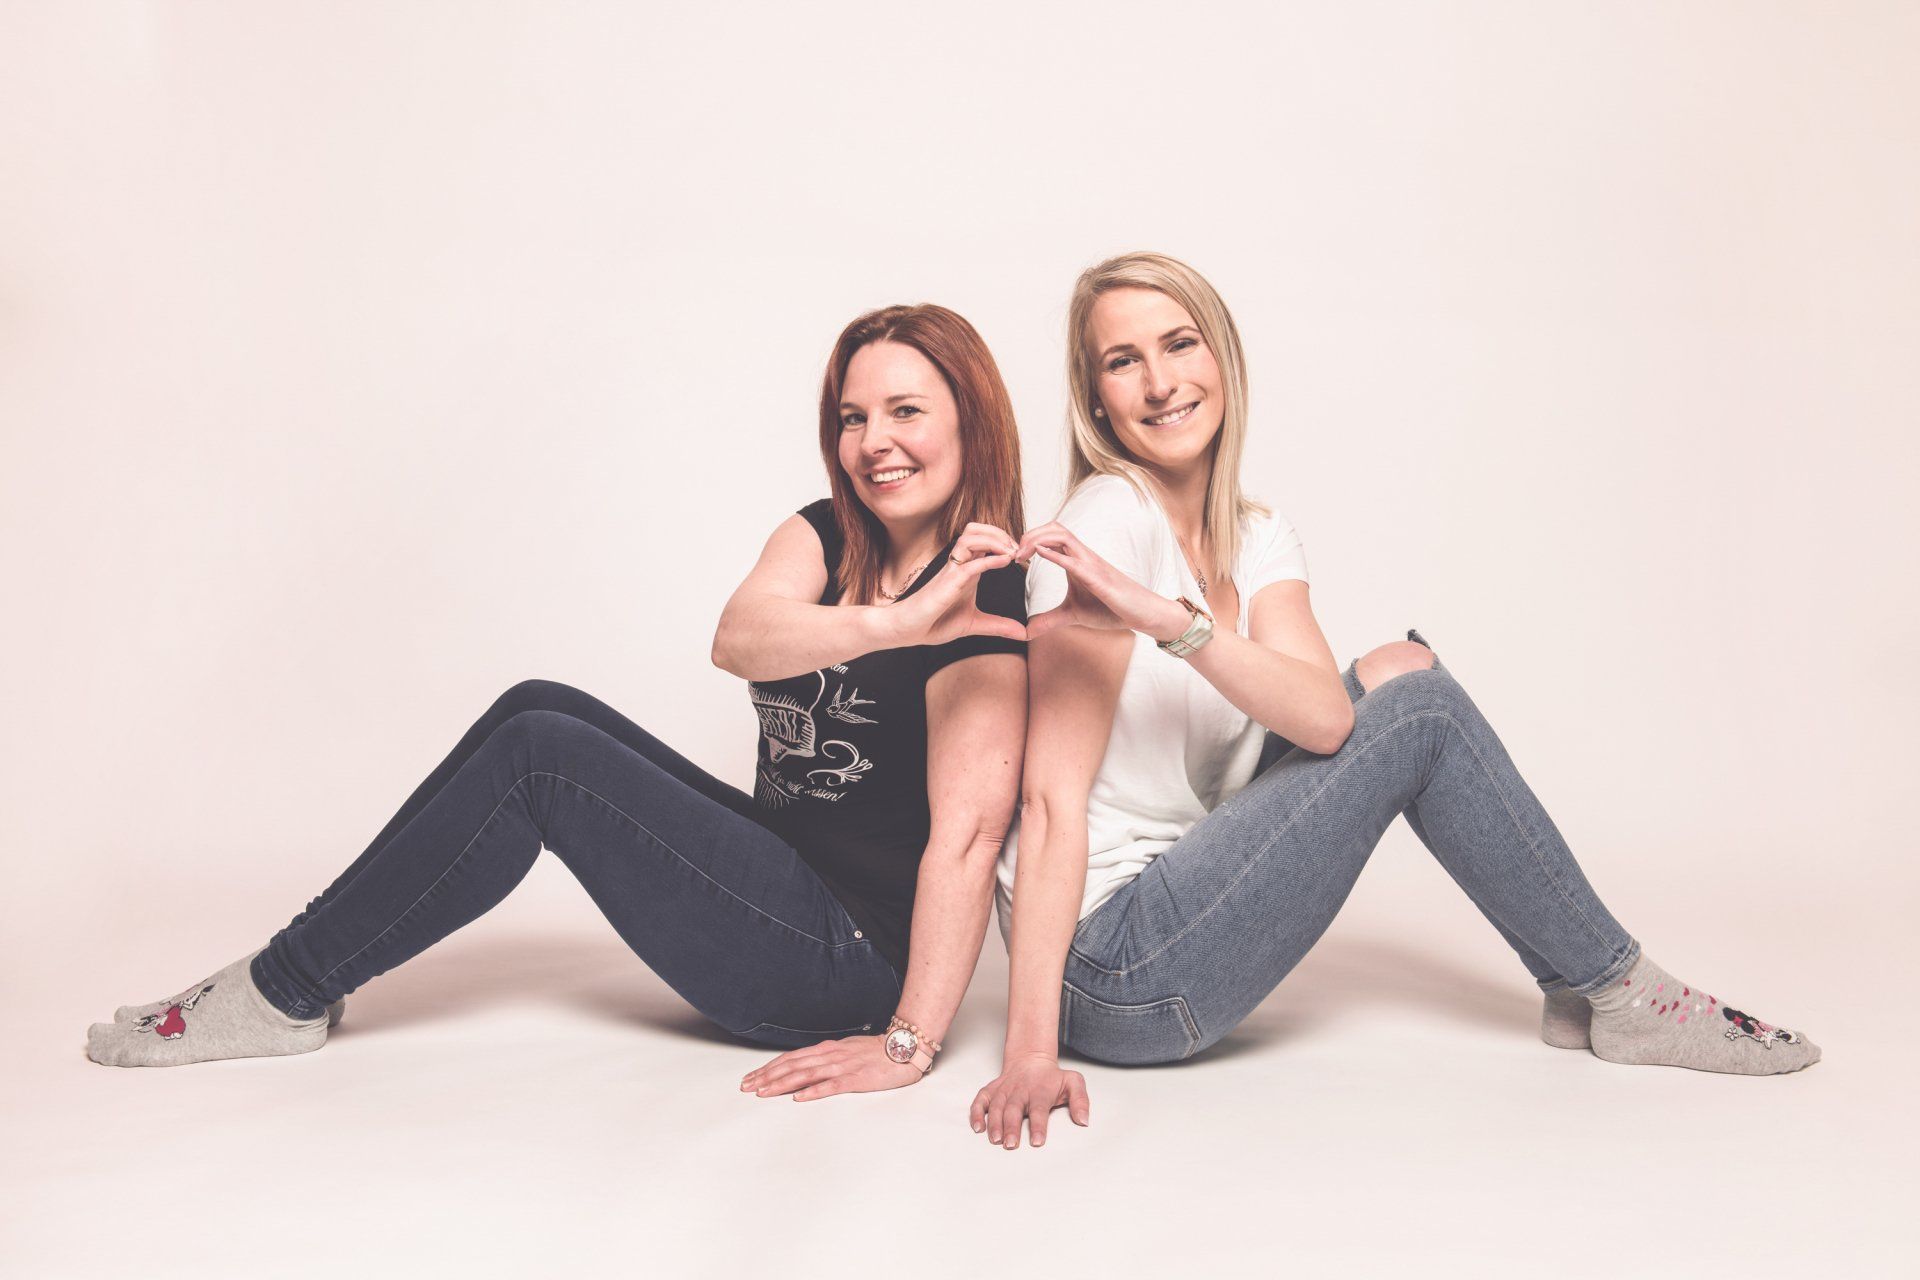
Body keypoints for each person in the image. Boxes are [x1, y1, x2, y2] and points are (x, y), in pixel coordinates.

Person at [970, 252, 1820, 1150]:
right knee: (1421, 716)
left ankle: (1577, 991)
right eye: (1123, 361)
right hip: (1109, 972)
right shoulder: (1107, 523)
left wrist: (1174, 622)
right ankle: (1624, 990)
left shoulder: (1254, 533)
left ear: (1222, 357)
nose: (1159, 382)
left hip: (1178, 895)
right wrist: (1031, 1050)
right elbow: (1049, 802)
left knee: (1401, 670)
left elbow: (1324, 719)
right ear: (1096, 400)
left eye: (1179, 344)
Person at [88, 303, 1030, 1104]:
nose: (873, 443)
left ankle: (284, 988)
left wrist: (907, 1043)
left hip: (848, 962)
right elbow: (738, 638)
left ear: (971, 423)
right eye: (853, 417)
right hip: (784, 878)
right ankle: (311, 967)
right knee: (536, 705)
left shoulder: (985, 596)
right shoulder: (830, 535)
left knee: (543, 754)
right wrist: (896, 624)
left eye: (907, 411)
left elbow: (970, 837)